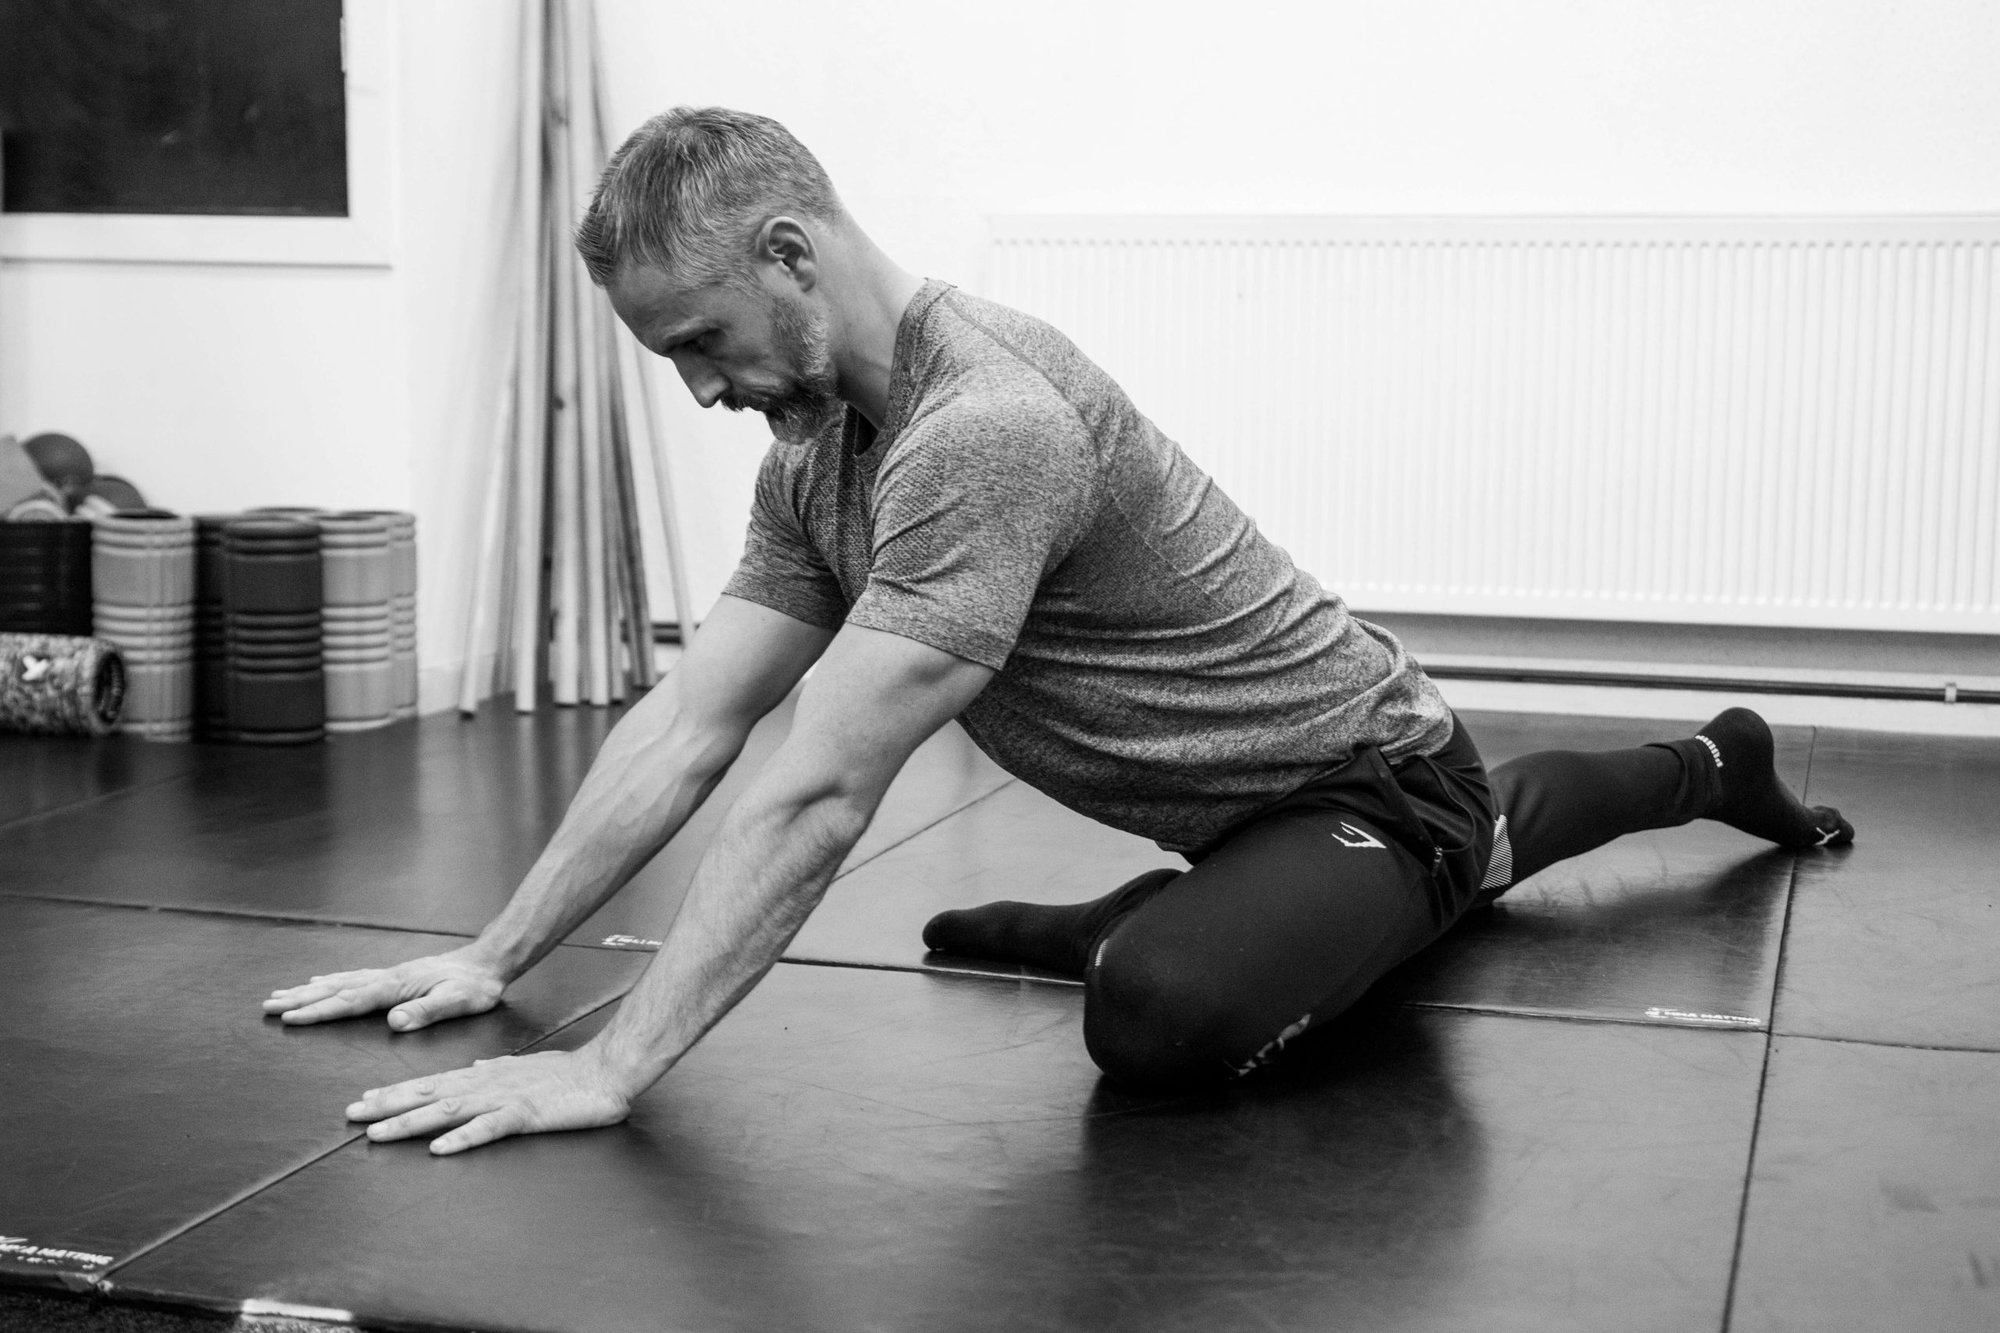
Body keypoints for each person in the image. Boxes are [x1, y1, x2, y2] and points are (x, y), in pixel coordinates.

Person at [263, 107, 1854, 1156]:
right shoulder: (819, 447)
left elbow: (820, 791)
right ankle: (1267, 886)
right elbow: (697, 722)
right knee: (1441, 854)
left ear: (791, 255)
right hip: (1270, 798)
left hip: (1367, 781)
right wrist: (494, 952)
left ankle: (1713, 760)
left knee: (1160, 1008)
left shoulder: (987, 425)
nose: (699, 389)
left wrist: (612, 1067)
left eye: (702, 341)